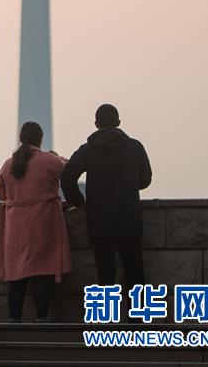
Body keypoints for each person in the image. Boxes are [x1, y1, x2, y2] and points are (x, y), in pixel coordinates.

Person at [60, 104, 152, 288]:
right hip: (129, 219)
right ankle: (137, 307)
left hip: (99, 221)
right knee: (135, 273)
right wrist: (129, 187)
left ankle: (107, 307)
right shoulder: (135, 147)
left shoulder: (87, 150)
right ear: (118, 122)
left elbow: (67, 177)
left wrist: (78, 201)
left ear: (96, 124)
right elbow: (145, 179)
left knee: (106, 275)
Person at [0, 121, 73, 322]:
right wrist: (58, 157)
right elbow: (69, 170)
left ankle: (14, 319)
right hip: (43, 222)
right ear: (40, 139)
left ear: (21, 139)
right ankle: (42, 318)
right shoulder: (49, 160)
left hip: (15, 227)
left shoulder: (8, 164)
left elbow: (1, 193)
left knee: (17, 275)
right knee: (43, 270)